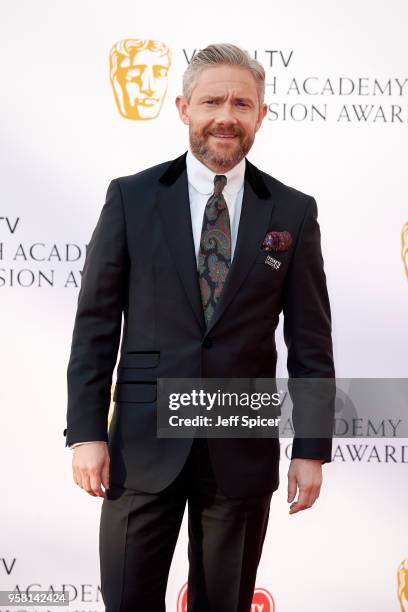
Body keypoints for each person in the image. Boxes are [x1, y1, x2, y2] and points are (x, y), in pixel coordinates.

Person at [64, 42, 335, 611]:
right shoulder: (132, 197)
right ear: (184, 108)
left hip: (240, 445)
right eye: (212, 101)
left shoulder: (292, 211)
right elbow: (94, 326)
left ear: (261, 115)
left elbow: (310, 342)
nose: (226, 116)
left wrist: (310, 447)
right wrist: (86, 432)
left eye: (242, 103)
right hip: (141, 445)